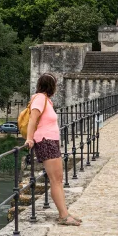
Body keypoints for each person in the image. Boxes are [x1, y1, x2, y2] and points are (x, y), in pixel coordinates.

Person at [25, 73, 81, 226]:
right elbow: (33, 119)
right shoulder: (40, 99)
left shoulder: (46, 100)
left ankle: (65, 213)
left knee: (58, 179)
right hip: (45, 142)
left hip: (51, 142)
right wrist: (29, 138)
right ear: (51, 85)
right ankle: (63, 216)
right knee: (56, 180)